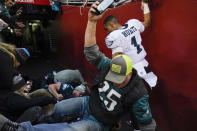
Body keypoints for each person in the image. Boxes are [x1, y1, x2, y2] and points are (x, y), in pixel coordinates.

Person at [0, 2, 157, 131]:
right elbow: (91, 52)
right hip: (88, 103)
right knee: (59, 108)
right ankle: (42, 122)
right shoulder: (110, 66)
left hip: (101, 122)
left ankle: (22, 129)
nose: (114, 81)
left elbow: (147, 125)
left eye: (119, 79)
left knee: (70, 129)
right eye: (113, 76)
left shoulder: (139, 94)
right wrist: (91, 21)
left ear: (130, 75)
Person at [103, 0, 157, 88]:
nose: (107, 31)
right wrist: (146, 5)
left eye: (106, 28)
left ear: (112, 25)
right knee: (152, 90)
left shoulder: (114, 36)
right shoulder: (133, 23)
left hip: (132, 71)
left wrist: (116, 81)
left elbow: (117, 58)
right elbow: (147, 22)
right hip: (145, 65)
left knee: (136, 98)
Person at [0, 42, 56, 121]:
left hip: (22, 91)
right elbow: (23, 102)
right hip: (17, 96)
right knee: (37, 107)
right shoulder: (6, 59)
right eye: (19, 62)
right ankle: (50, 117)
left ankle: (52, 114)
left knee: (42, 90)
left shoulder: (9, 65)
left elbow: (27, 80)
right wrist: (44, 100)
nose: (18, 65)